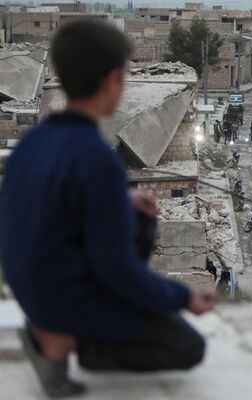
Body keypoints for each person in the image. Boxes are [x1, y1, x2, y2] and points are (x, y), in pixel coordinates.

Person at [0, 20, 217, 398]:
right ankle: (64, 343)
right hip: (62, 300)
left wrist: (121, 199)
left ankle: (67, 329)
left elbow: (47, 207)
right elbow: (115, 268)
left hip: (29, 286)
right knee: (186, 347)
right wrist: (183, 298)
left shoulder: (35, 139)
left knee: (138, 214)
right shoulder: (96, 157)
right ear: (112, 81)